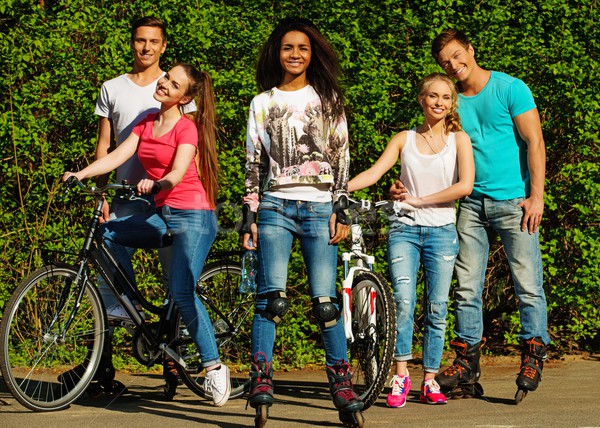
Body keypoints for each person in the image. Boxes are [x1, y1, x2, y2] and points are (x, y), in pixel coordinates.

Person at [392, 29, 550, 400]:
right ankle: (466, 361)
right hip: (470, 205)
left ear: (470, 50)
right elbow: (427, 148)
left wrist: (536, 196)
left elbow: (535, 141)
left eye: (456, 55)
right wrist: (403, 186)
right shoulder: (451, 101)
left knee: (527, 283)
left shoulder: (510, 88)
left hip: (514, 202)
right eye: (445, 61)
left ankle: (533, 352)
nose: (453, 64)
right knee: (465, 287)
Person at [62, 63, 231, 407]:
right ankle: (131, 303)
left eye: (174, 83)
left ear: (185, 97)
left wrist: (158, 182)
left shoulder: (187, 130)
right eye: (166, 77)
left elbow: (178, 171)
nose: (165, 83)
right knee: (108, 234)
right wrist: (79, 174)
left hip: (194, 216)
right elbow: (117, 155)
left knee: (182, 291)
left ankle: (214, 367)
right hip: (164, 215)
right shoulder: (146, 122)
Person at [241, 18, 364, 427]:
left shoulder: (328, 101)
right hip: (275, 206)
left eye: (303, 48)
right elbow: (253, 164)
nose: (295, 54)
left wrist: (341, 208)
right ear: (276, 53)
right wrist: (249, 217)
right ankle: (261, 377)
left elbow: (343, 158)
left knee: (326, 304)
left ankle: (341, 382)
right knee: (270, 299)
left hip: (319, 209)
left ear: (313, 55)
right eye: (287, 47)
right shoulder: (262, 103)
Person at [349, 73, 474, 407]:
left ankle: (430, 380)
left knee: (438, 308)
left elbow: (465, 186)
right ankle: (400, 375)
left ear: (452, 103)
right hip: (403, 230)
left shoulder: (459, 139)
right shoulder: (404, 138)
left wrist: (421, 199)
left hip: (442, 232)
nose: (439, 103)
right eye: (433, 96)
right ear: (421, 100)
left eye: (446, 98)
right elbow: (375, 174)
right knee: (403, 303)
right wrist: (339, 188)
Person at [93, 16, 195, 394]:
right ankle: (102, 370)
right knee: (108, 281)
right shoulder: (112, 88)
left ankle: (173, 361)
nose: (146, 48)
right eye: (140, 41)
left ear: (163, 46)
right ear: (131, 43)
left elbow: (188, 144)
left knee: (175, 281)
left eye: (153, 41)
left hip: (165, 199)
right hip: (123, 195)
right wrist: (99, 192)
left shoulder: (176, 85)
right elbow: (105, 145)